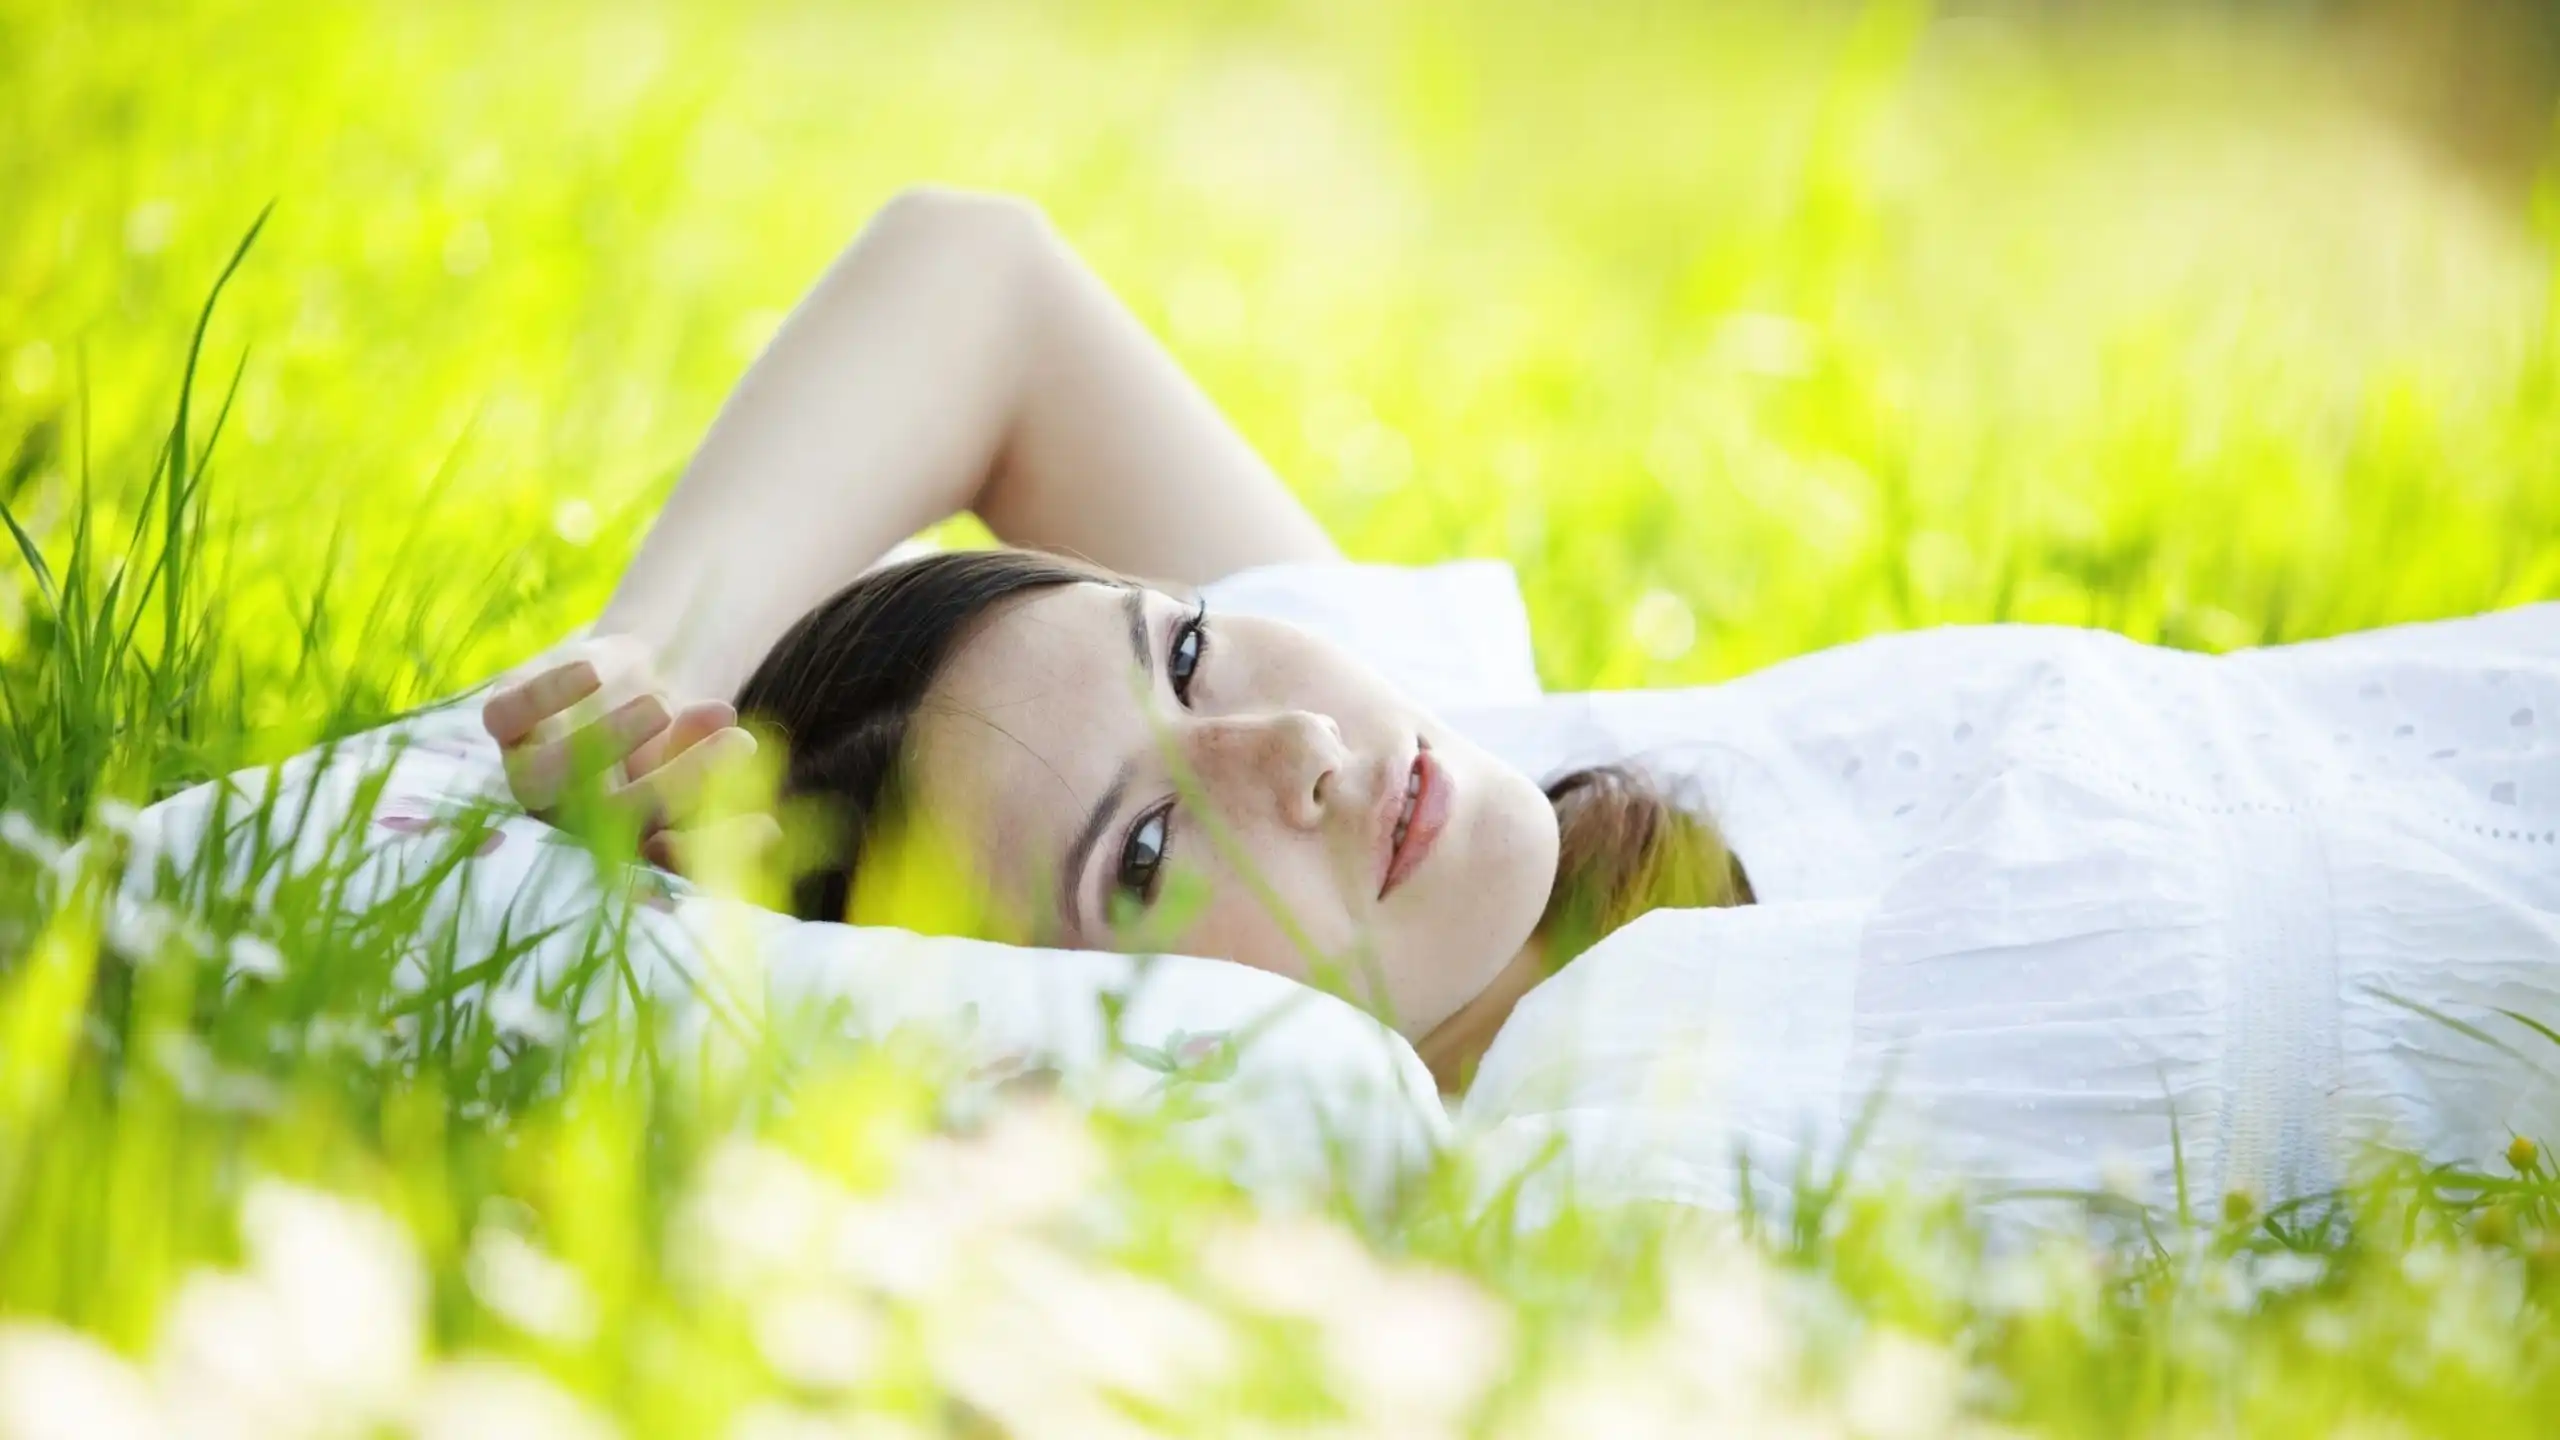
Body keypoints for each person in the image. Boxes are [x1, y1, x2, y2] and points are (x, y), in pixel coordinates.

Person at [477, 187, 2560, 1215]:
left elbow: (978, 275)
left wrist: (659, 655)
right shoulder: (1503, 1192)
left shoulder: (1495, 748)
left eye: (1182, 651)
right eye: (1143, 851)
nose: (1290, 752)